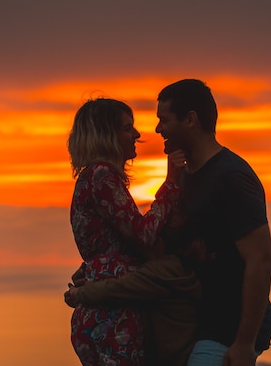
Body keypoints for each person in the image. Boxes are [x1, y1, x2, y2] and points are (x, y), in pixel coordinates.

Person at [155, 79, 271, 366]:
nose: (158, 129)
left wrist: (244, 343)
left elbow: (261, 260)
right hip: (196, 320)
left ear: (191, 119)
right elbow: (160, 242)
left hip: (226, 329)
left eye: (164, 120)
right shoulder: (181, 177)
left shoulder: (231, 177)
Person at [67, 98, 185, 366]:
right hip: (114, 312)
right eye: (126, 128)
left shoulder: (88, 178)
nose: (137, 135)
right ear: (106, 135)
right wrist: (170, 186)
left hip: (97, 309)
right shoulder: (102, 176)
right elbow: (142, 234)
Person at [64, 233, 202, 366]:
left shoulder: (163, 270)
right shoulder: (167, 268)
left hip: (175, 360)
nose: (139, 247)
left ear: (160, 243)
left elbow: (115, 288)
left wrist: (78, 293)